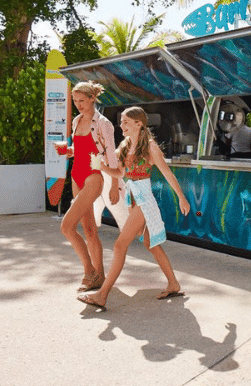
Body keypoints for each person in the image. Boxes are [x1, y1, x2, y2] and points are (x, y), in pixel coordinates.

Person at [77, 107, 191, 310]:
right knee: (151, 244)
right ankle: (173, 283)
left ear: (139, 124)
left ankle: (102, 295)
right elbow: (120, 172)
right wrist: (101, 166)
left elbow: (167, 174)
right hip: (132, 200)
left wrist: (182, 198)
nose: (121, 125)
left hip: (143, 200)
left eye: (125, 122)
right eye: (121, 122)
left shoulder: (150, 147)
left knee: (120, 245)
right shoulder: (125, 145)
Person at [60, 81, 123, 293]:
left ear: (92, 99)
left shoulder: (103, 123)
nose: (78, 104)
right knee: (88, 229)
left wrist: (114, 184)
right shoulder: (76, 121)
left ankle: (89, 271)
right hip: (76, 174)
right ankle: (100, 276)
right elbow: (81, 149)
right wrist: (69, 151)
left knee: (67, 226)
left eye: (82, 100)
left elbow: (111, 155)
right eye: (75, 100)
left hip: (93, 175)